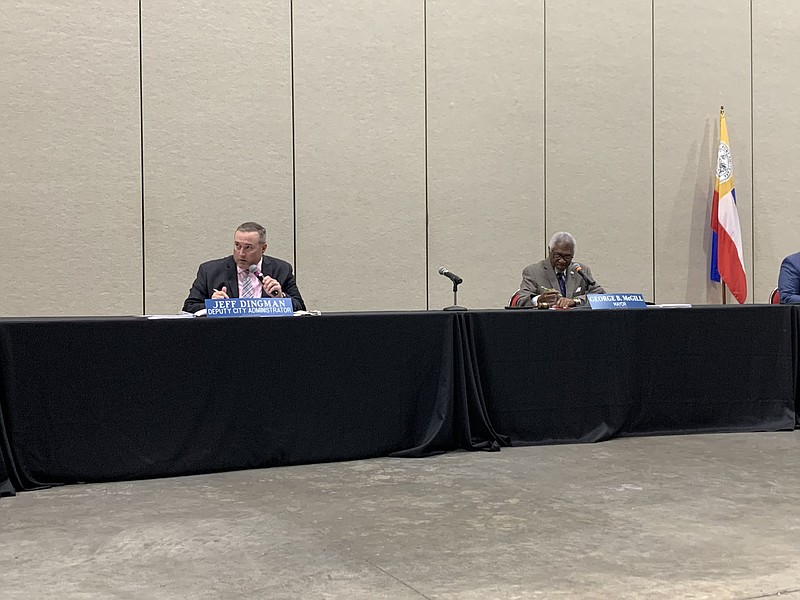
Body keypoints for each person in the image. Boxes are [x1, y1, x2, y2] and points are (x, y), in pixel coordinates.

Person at [182, 221, 306, 313]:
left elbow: (300, 307)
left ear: (263, 248)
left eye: (248, 248)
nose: (241, 253)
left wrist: (280, 297)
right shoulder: (209, 271)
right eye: (237, 246)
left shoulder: (281, 270)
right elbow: (189, 307)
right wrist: (213, 306)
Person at [510, 231, 605, 308]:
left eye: (567, 256)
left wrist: (575, 301)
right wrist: (538, 299)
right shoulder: (533, 271)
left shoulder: (580, 270)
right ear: (549, 251)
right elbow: (521, 299)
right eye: (558, 255)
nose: (562, 261)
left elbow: (601, 296)